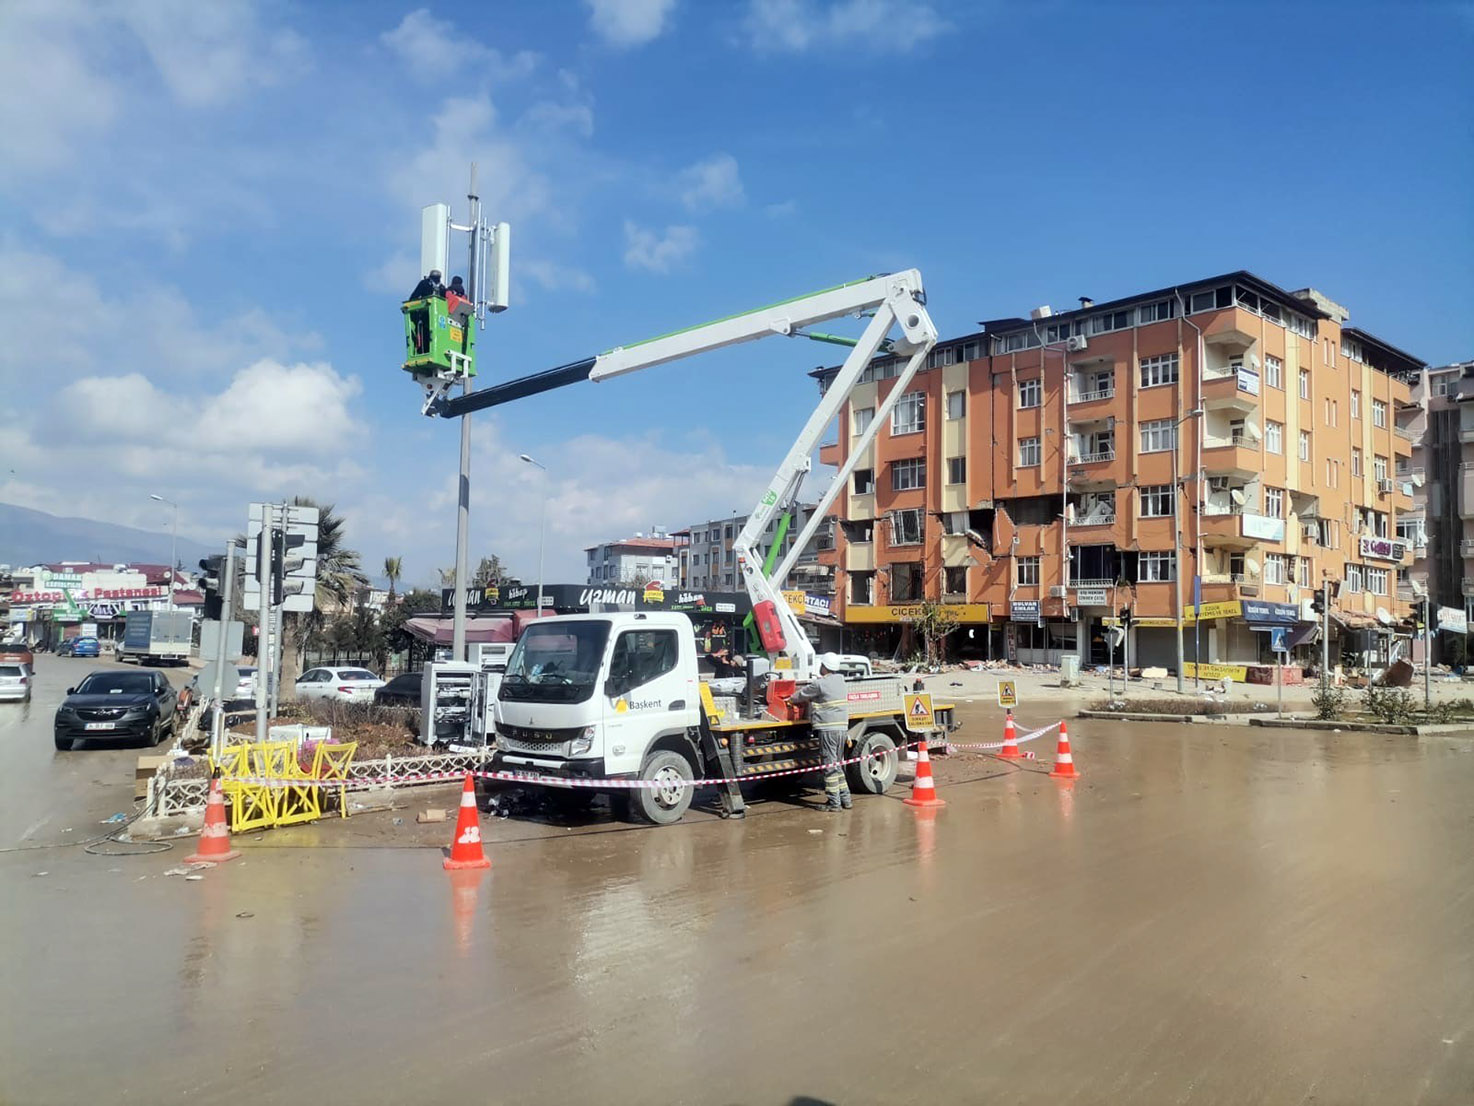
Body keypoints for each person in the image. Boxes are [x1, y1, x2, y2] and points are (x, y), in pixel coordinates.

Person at [790, 652, 851, 812]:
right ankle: (846, 799)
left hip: (828, 729)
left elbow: (800, 695)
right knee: (837, 764)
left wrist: (789, 699)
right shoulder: (841, 681)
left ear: (824, 666)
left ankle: (834, 803)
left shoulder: (820, 684)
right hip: (842, 728)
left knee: (829, 765)